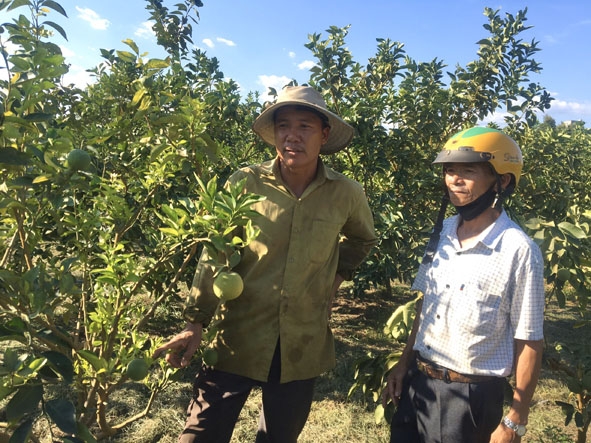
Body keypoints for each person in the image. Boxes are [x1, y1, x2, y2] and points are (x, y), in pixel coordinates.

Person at [153, 85, 377, 442]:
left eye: (304, 126)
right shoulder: (246, 182)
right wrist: (195, 321)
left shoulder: (346, 193)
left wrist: (334, 279)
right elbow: (216, 250)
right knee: (200, 435)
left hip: (302, 339)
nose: (292, 136)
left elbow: (363, 238)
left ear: (324, 134)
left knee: (278, 437)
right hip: (237, 334)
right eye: (283, 125)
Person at [383, 127, 545, 443]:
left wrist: (516, 418)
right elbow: (427, 306)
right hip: (419, 382)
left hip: (468, 396)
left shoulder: (518, 250)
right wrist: (404, 364)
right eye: (449, 171)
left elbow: (529, 340)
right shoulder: (443, 231)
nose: (454, 180)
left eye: (468, 171)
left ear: (503, 180)